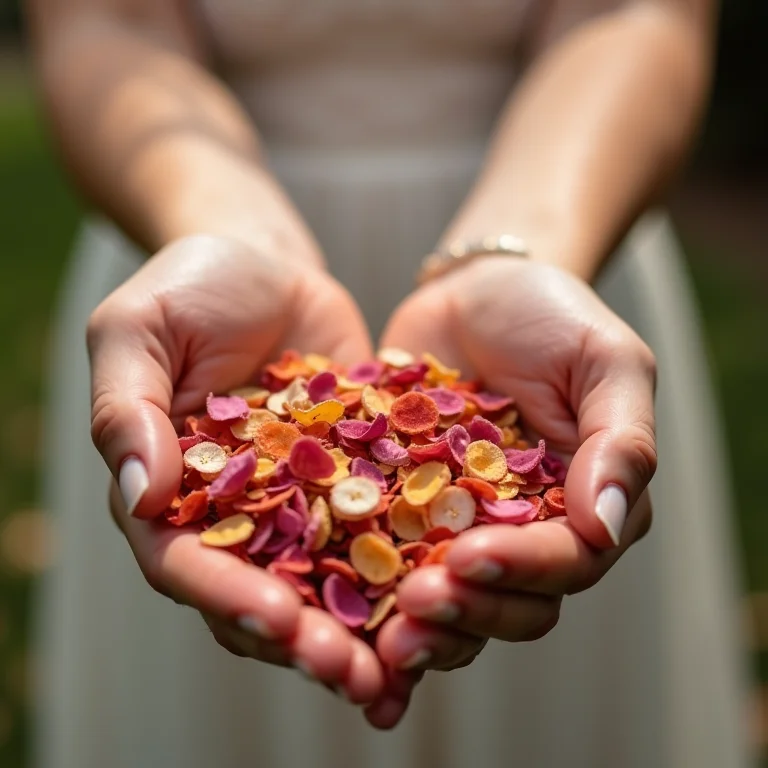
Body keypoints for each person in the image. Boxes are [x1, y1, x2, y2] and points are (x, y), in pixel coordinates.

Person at [29, 0, 755, 766]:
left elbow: (634, 16)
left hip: (564, 213)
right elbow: (108, 25)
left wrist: (525, 253)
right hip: (199, 255)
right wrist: (230, 232)